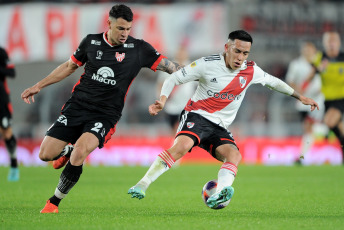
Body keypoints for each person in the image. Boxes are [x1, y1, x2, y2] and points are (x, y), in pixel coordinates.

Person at [128, 30, 319, 208]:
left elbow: (274, 82)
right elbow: (174, 78)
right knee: (182, 146)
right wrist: (162, 100)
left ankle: (219, 194)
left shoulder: (251, 70)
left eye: (245, 53)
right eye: (237, 51)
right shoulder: (206, 64)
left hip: (220, 126)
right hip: (198, 115)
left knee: (234, 155)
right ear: (227, 48)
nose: (241, 57)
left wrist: (300, 96)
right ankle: (142, 183)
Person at [21, 4, 182, 213]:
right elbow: (68, 66)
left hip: (105, 115)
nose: (125, 34)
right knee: (45, 154)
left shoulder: (139, 49)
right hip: (76, 107)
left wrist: (197, 72)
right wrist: (38, 86)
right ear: (109, 24)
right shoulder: (91, 42)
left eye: (128, 29)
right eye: (120, 28)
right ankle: (67, 151)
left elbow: (171, 67)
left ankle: (54, 202)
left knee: (80, 152)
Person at [303, 31, 344, 164]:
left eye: (334, 41)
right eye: (329, 42)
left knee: (329, 122)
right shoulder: (320, 58)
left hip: (341, 98)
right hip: (328, 99)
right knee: (336, 127)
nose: (332, 44)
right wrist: (319, 69)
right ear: (325, 44)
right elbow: (310, 76)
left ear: (338, 43)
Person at [285, 42, 325, 162]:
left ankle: (302, 156)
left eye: (310, 50)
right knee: (309, 129)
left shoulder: (321, 63)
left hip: (319, 100)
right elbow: (290, 81)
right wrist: (299, 93)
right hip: (303, 102)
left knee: (309, 127)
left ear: (314, 51)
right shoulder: (296, 64)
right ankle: (322, 132)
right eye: (306, 50)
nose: (308, 52)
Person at [156, 46, 196, 134]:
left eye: (183, 53)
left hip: (187, 105)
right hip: (172, 105)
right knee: (173, 129)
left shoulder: (192, 66)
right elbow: (161, 83)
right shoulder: (168, 66)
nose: (182, 55)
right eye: (180, 53)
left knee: (186, 130)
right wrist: (161, 99)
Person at [0, 46, 19, 182]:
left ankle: (14, 166)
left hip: (1, 100)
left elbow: (12, 72)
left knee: (6, 133)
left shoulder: (1, 52)